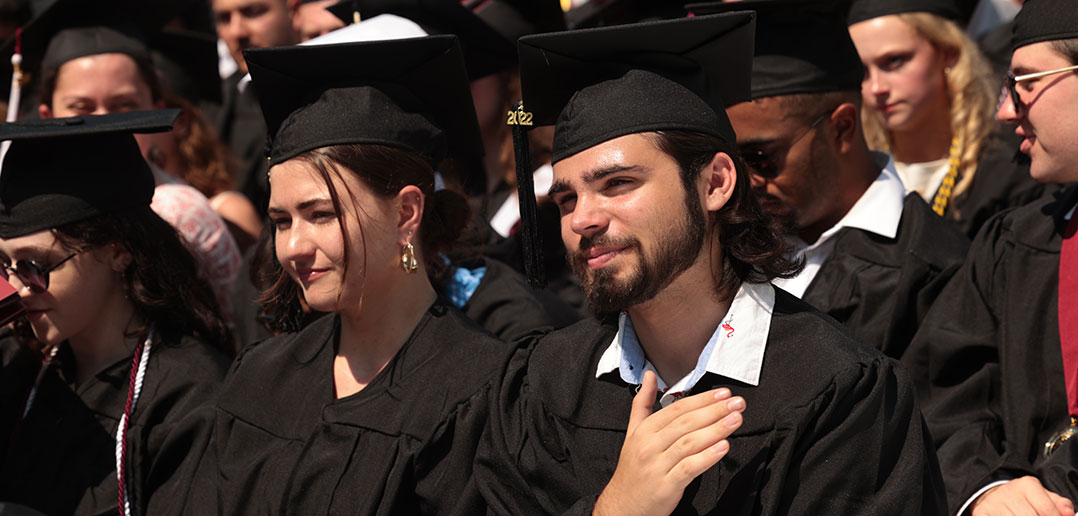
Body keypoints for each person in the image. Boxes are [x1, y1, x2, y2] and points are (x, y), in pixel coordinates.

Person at [476, 12, 947, 515]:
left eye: (618, 184)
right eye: (567, 198)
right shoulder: (545, 384)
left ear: (715, 184)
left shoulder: (839, 391)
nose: (582, 219)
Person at [183, 36, 510, 515]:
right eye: (280, 222)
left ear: (406, 214)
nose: (293, 247)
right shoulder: (260, 376)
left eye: (321, 215)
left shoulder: (482, 391)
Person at [688, 0, 968, 361]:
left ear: (842, 128)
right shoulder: (720, 244)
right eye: (731, 161)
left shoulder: (936, 272)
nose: (744, 181)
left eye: (761, 158)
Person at [0, 110, 232, 516]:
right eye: (6, 265)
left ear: (118, 250)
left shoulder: (190, 397)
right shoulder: (18, 364)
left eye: (37, 266)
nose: (19, 287)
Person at [902, 0, 1078, 513]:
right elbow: (941, 398)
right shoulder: (1016, 242)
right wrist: (984, 493)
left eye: (1026, 82)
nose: (1005, 109)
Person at [34, 18, 244, 324]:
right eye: (82, 106)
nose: (104, 124)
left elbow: (235, 328)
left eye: (124, 104)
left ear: (156, 110)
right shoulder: (31, 210)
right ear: (47, 116)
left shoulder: (180, 211)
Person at [848, 0, 1050, 239]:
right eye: (862, 71)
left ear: (948, 53)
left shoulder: (1006, 174)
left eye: (894, 61)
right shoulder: (855, 175)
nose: (876, 87)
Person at [212, 0, 300, 210]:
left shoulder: (324, 100)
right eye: (224, 19)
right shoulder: (215, 104)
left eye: (253, 13)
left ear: (292, 10)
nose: (237, 32)